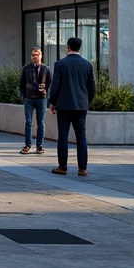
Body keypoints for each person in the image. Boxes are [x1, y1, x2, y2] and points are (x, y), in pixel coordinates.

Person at [48, 37, 96, 176]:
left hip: (64, 105)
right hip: (81, 106)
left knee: (63, 135)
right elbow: (92, 88)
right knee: (81, 136)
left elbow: (55, 85)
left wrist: (52, 102)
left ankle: (62, 167)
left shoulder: (60, 64)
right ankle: (82, 168)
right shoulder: (87, 65)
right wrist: (87, 101)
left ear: (68, 47)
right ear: (79, 48)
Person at [19, 47, 51, 154]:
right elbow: (21, 84)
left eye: (36, 55)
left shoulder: (46, 69)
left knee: (41, 123)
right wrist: (23, 97)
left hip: (41, 99)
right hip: (29, 98)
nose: (34, 57)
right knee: (28, 122)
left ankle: (39, 145)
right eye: (33, 55)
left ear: (41, 55)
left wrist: (46, 94)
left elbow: (50, 84)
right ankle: (28, 145)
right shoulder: (26, 69)